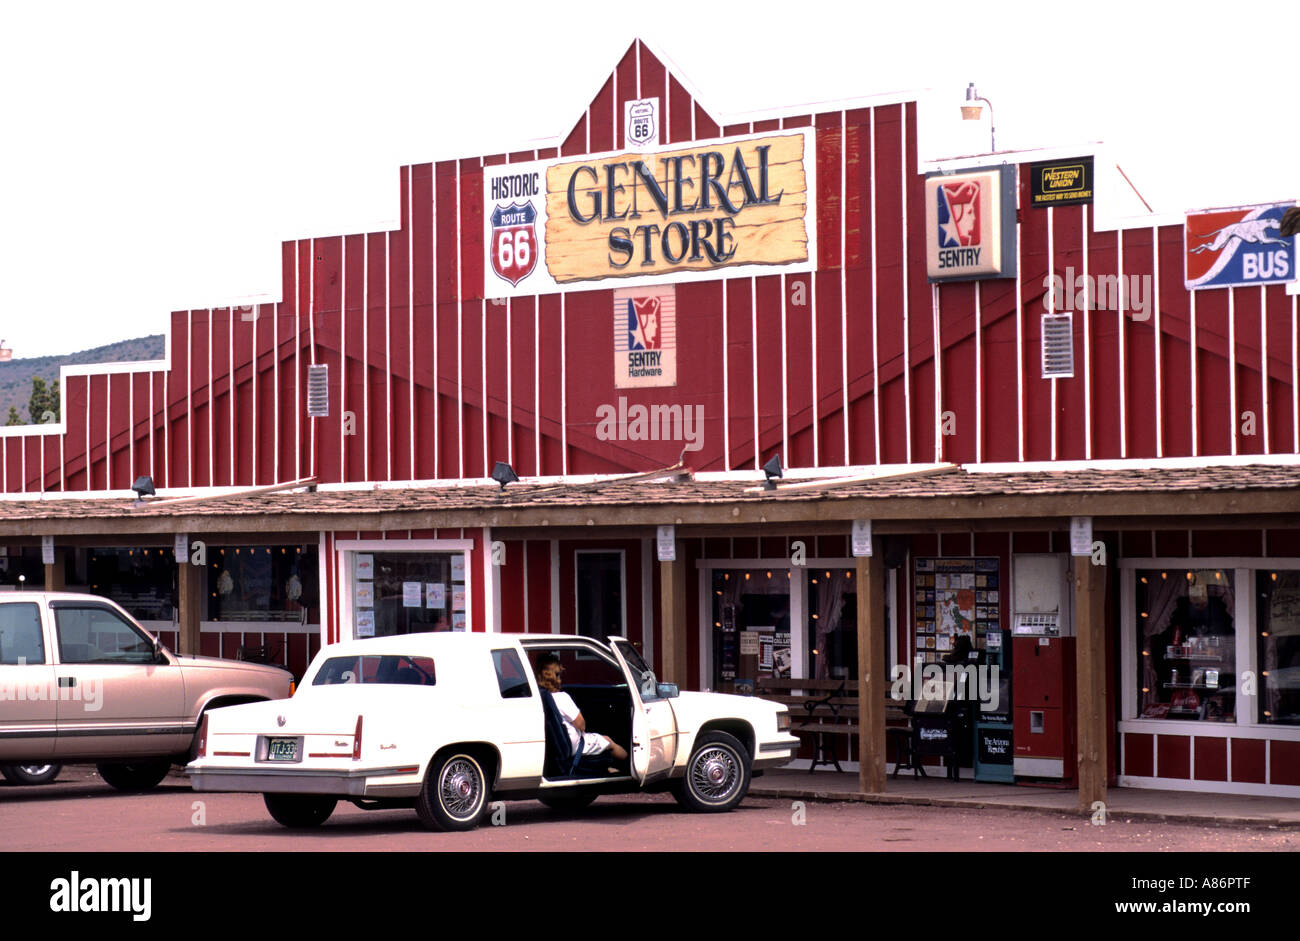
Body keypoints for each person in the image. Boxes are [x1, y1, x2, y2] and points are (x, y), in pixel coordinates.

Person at [535, 653, 629, 765]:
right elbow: (581, 725)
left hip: (556, 747)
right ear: (555, 676)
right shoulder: (562, 697)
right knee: (608, 740)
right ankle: (628, 766)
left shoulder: (539, 697)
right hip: (574, 746)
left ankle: (609, 769)